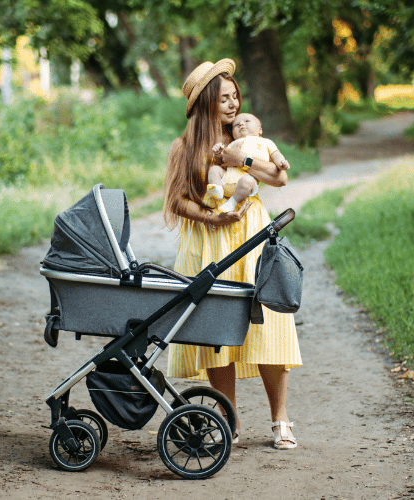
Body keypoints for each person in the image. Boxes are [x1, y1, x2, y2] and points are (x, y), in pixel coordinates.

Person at [163, 59, 301, 450]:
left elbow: (278, 177)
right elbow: (176, 201)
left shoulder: (247, 141)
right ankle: (229, 419)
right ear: (207, 103)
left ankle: (280, 419)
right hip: (208, 238)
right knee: (216, 329)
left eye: (235, 96)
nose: (233, 104)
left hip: (252, 235)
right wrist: (212, 216)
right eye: (224, 98)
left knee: (269, 323)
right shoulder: (184, 147)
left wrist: (237, 160)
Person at [205, 113, 290, 213]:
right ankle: (217, 190)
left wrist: (281, 162)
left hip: (246, 182)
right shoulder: (234, 143)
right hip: (227, 179)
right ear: (232, 133)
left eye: (247, 121)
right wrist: (219, 153)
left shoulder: (266, 142)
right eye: (236, 125)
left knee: (248, 180)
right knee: (214, 169)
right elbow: (225, 159)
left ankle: (232, 203)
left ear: (260, 130)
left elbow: (276, 154)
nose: (241, 124)